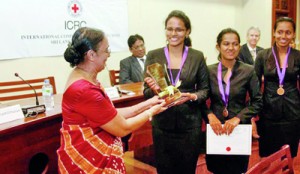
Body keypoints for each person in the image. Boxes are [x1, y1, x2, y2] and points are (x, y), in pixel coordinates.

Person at [57, 27, 167, 173]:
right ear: (91, 54)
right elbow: (123, 128)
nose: (108, 54)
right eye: (106, 50)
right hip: (88, 160)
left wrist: (150, 102)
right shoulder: (84, 90)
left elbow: (111, 114)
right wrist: (152, 111)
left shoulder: (85, 76)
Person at [143, 10, 209, 174]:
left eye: (179, 29)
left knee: (187, 170)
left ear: (187, 32)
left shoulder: (197, 56)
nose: (173, 33)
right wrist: (154, 90)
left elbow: (205, 90)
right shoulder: (153, 55)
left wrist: (191, 96)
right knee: (164, 170)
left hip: (190, 126)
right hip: (162, 125)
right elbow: (146, 92)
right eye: (169, 28)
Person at [203, 28, 262, 174]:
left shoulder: (248, 70)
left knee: (237, 169)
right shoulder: (208, 71)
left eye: (235, 44)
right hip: (216, 128)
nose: (231, 48)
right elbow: (200, 100)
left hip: (239, 128)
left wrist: (238, 118)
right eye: (226, 44)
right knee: (216, 168)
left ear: (239, 47)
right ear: (218, 47)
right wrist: (210, 116)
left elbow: (257, 102)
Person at [254, 17, 300, 164]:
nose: (283, 36)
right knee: (266, 154)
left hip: (293, 111)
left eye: (288, 32)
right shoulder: (262, 56)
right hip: (268, 111)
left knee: (289, 154)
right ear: (274, 33)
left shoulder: (298, 56)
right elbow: (254, 86)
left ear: (294, 34)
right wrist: (253, 115)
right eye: (280, 32)